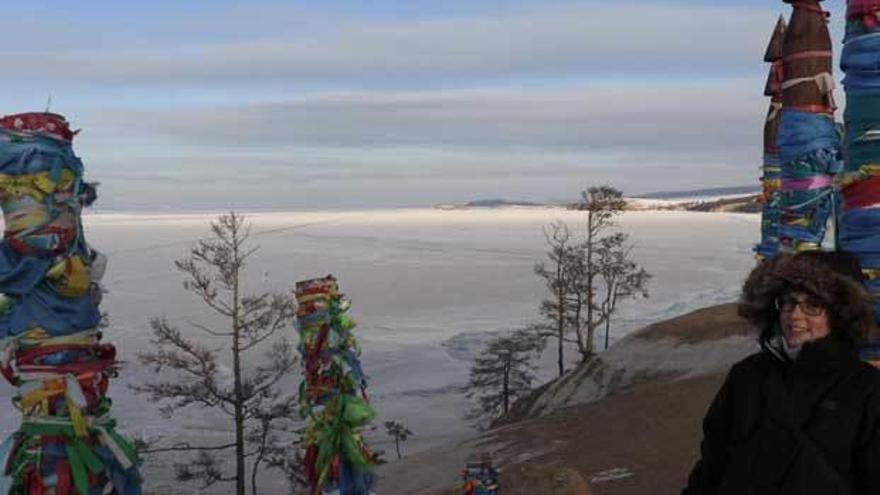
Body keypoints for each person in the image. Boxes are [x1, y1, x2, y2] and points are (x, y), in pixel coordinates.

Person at [681, 251, 880, 494]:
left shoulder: (867, 390)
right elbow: (713, 466)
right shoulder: (747, 375)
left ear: (840, 315)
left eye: (813, 305)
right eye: (788, 302)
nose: (795, 315)